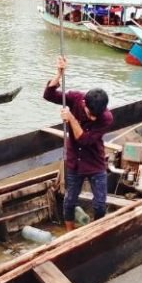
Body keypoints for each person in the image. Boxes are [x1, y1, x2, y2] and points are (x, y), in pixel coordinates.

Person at [43, 56, 113, 232]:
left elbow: (84, 140)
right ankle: (70, 232)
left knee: (100, 204)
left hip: (95, 162)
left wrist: (71, 118)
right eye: (90, 114)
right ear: (84, 104)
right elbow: (49, 95)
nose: (93, 118)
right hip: (74, 160)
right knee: (69, 201)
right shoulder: (76, 98)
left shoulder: (106, 118)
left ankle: (96, 231)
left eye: (96, 116)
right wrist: (58, 75)